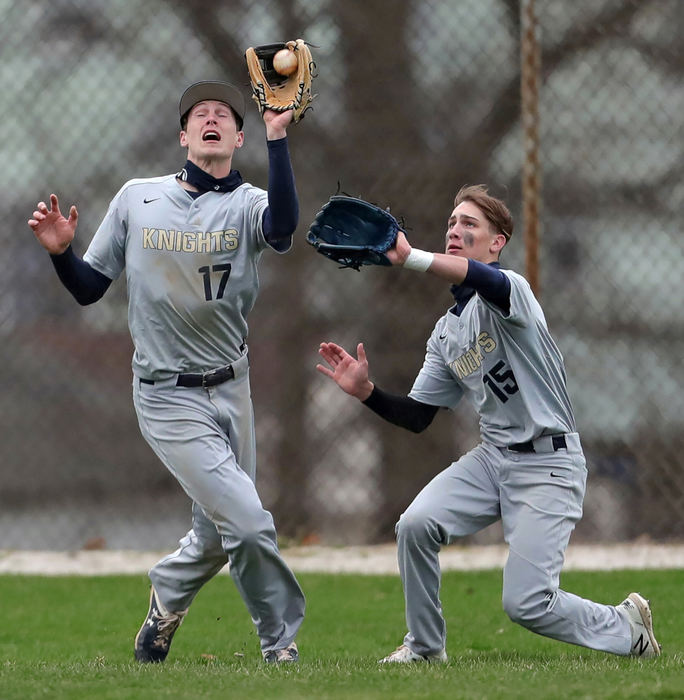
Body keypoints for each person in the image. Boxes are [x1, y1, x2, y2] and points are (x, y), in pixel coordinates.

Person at [316, 184, 660, 663]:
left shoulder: (510, 291)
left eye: (470, 225)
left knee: (527, 604)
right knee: (415, 526)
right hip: (493, 459)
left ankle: (625, 629)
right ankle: (424, 647)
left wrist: (413, 258)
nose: (456, 230)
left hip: (549, 464)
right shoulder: (445, 333)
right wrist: (365, 393)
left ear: (497, 243)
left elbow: (481, 280)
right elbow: (418, 418)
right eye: (452, 223)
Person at [28, 81, 305, 664]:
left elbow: (282, 228)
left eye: (223, 115)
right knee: (250, 524)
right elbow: (88, 290)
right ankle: (280, 646)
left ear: (236, 136)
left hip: (233, 387)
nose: (210, 118)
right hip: (166, 395)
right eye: (198, 114)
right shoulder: (137, 198)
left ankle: (167, 598)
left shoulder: (249, 203)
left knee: (217, 530)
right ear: (184, 137)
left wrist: (278, 139)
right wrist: (61, 254)